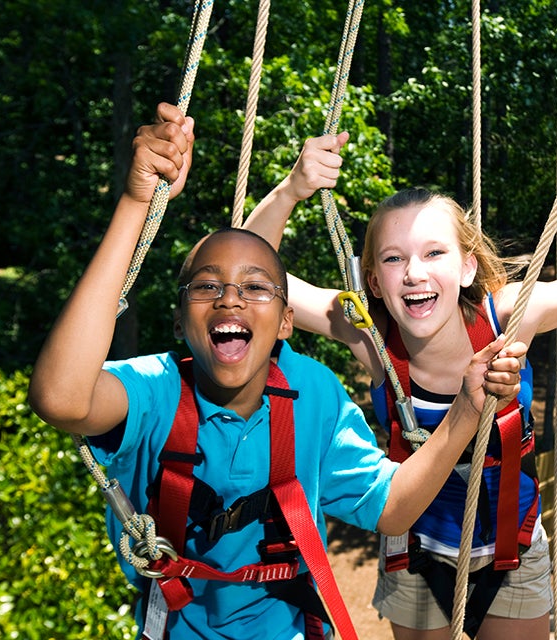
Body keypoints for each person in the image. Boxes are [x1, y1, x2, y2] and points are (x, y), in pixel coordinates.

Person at [27, 102, 527, 640]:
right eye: (207, 287)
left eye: (255, 289)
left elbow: (392, 509)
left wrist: (467, 409)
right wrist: (135, 204)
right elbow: (60, 397)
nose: (231, 300)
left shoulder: (313, 396)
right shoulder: (156, 392)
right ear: (179, 319)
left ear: (288, 319)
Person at [243, 132, 557, 640]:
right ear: (373, 281)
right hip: (414, 554)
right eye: (393, 259)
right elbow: (249, 277)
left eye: (434, 253)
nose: (414, 272)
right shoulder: (370, 336)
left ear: (466, 267)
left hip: (511, 551)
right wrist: (290, 191)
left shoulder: (505, 320)